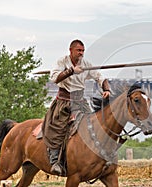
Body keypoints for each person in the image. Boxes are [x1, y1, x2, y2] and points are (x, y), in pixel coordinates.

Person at [42, 39, 111, 175]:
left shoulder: (86, 64)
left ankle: (100, 157)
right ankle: (55, 160)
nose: (81, 53)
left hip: (80, 101)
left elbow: (100, 77)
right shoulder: (62, 62)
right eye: (79, 50)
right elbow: (55, 78)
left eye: (83, 51)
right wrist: (71, 71)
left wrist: (106, 89)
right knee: (57, 128)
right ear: (71, 50)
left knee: (94, 126)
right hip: (64, 102)